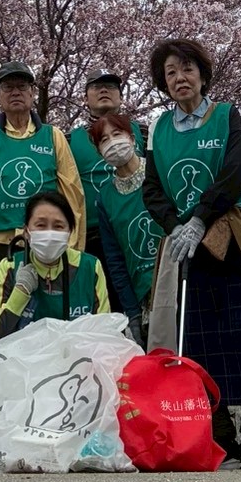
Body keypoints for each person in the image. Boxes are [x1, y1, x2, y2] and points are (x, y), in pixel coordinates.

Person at [141, 38, 241, 468]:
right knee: (194, 341)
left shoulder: (227, 115)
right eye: (171, 72)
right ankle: (222, 438)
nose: (180, 77)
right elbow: (152, 189)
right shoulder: (158, 128)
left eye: (187, 68)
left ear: (203, 74)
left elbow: (234, 172)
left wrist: (200, 217)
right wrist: (175, 226)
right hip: (183, 244)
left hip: (233, 235)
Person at [0, 61, 86, 345]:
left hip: (45, 244)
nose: (15, 92)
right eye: (8, 87)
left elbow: (73, 194)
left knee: (47, 323)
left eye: (22, 86)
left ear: (32, 93)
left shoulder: (52, 137)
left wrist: (73, 246)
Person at [0, 191, 110, 346]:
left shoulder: (90, 267)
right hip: (23, 365)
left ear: (70, 233)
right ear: (26, 232)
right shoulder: (9, 267)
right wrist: (20, 292)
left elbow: (105, 334)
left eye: (58, 226)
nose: (49, 233)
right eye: (40, 225)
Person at [68, 68, 146, 320]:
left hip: (137, 231)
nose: (103, 90)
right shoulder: (69, 140)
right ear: (85, 98)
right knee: (106, 310)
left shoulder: (142, 132)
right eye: (96, 86)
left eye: (111, 87)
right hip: (92, 238)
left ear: (121, 96)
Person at [86, 109, 161, 345]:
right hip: (144, 296)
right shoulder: (105, 197)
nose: (112, 143)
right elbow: (115, 260)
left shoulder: (159, 170)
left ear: (131, 137)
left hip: (177, 281)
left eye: (117, 134)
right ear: (99, 151)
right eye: (104, 140)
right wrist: (132, 312)